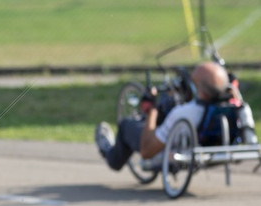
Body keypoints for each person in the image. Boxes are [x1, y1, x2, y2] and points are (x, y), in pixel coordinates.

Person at [95, 61, 255, 171]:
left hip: (170, 150)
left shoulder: (184, 113)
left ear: (199, 87)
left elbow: (147, 151)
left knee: (126, 125)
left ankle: (108, 151)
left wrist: (151, 109)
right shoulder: (238, 108)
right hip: (213, 143)